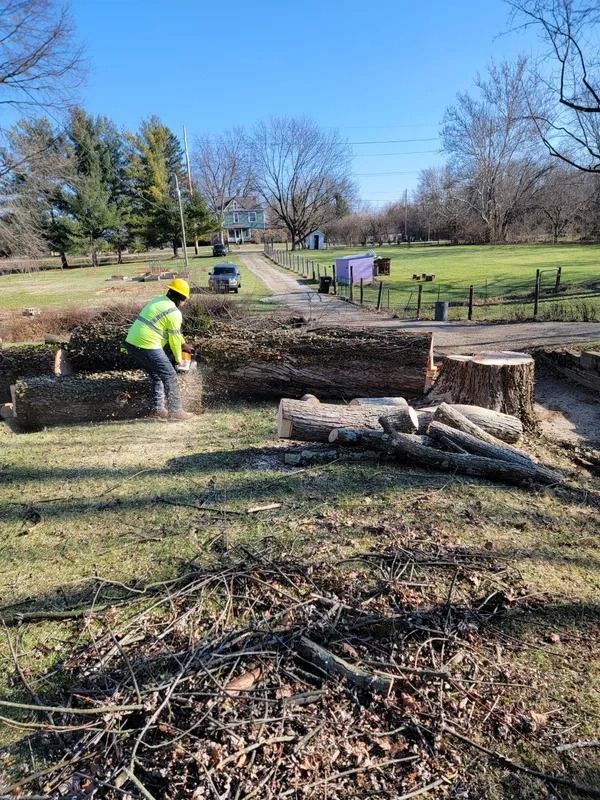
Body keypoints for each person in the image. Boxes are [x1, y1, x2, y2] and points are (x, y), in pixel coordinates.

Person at [125, 278, 195, 421]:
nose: (184, 303)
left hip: (132, 343)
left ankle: (158, 409)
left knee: (157, 375)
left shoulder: (157, 300)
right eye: (185, 299)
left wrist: (184, 345)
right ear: (181, 297)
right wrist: (179, 359)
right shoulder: (174, 312)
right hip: (147, 344)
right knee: (169, 375)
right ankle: (175, 411)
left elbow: (174, 333)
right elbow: (173, 339)